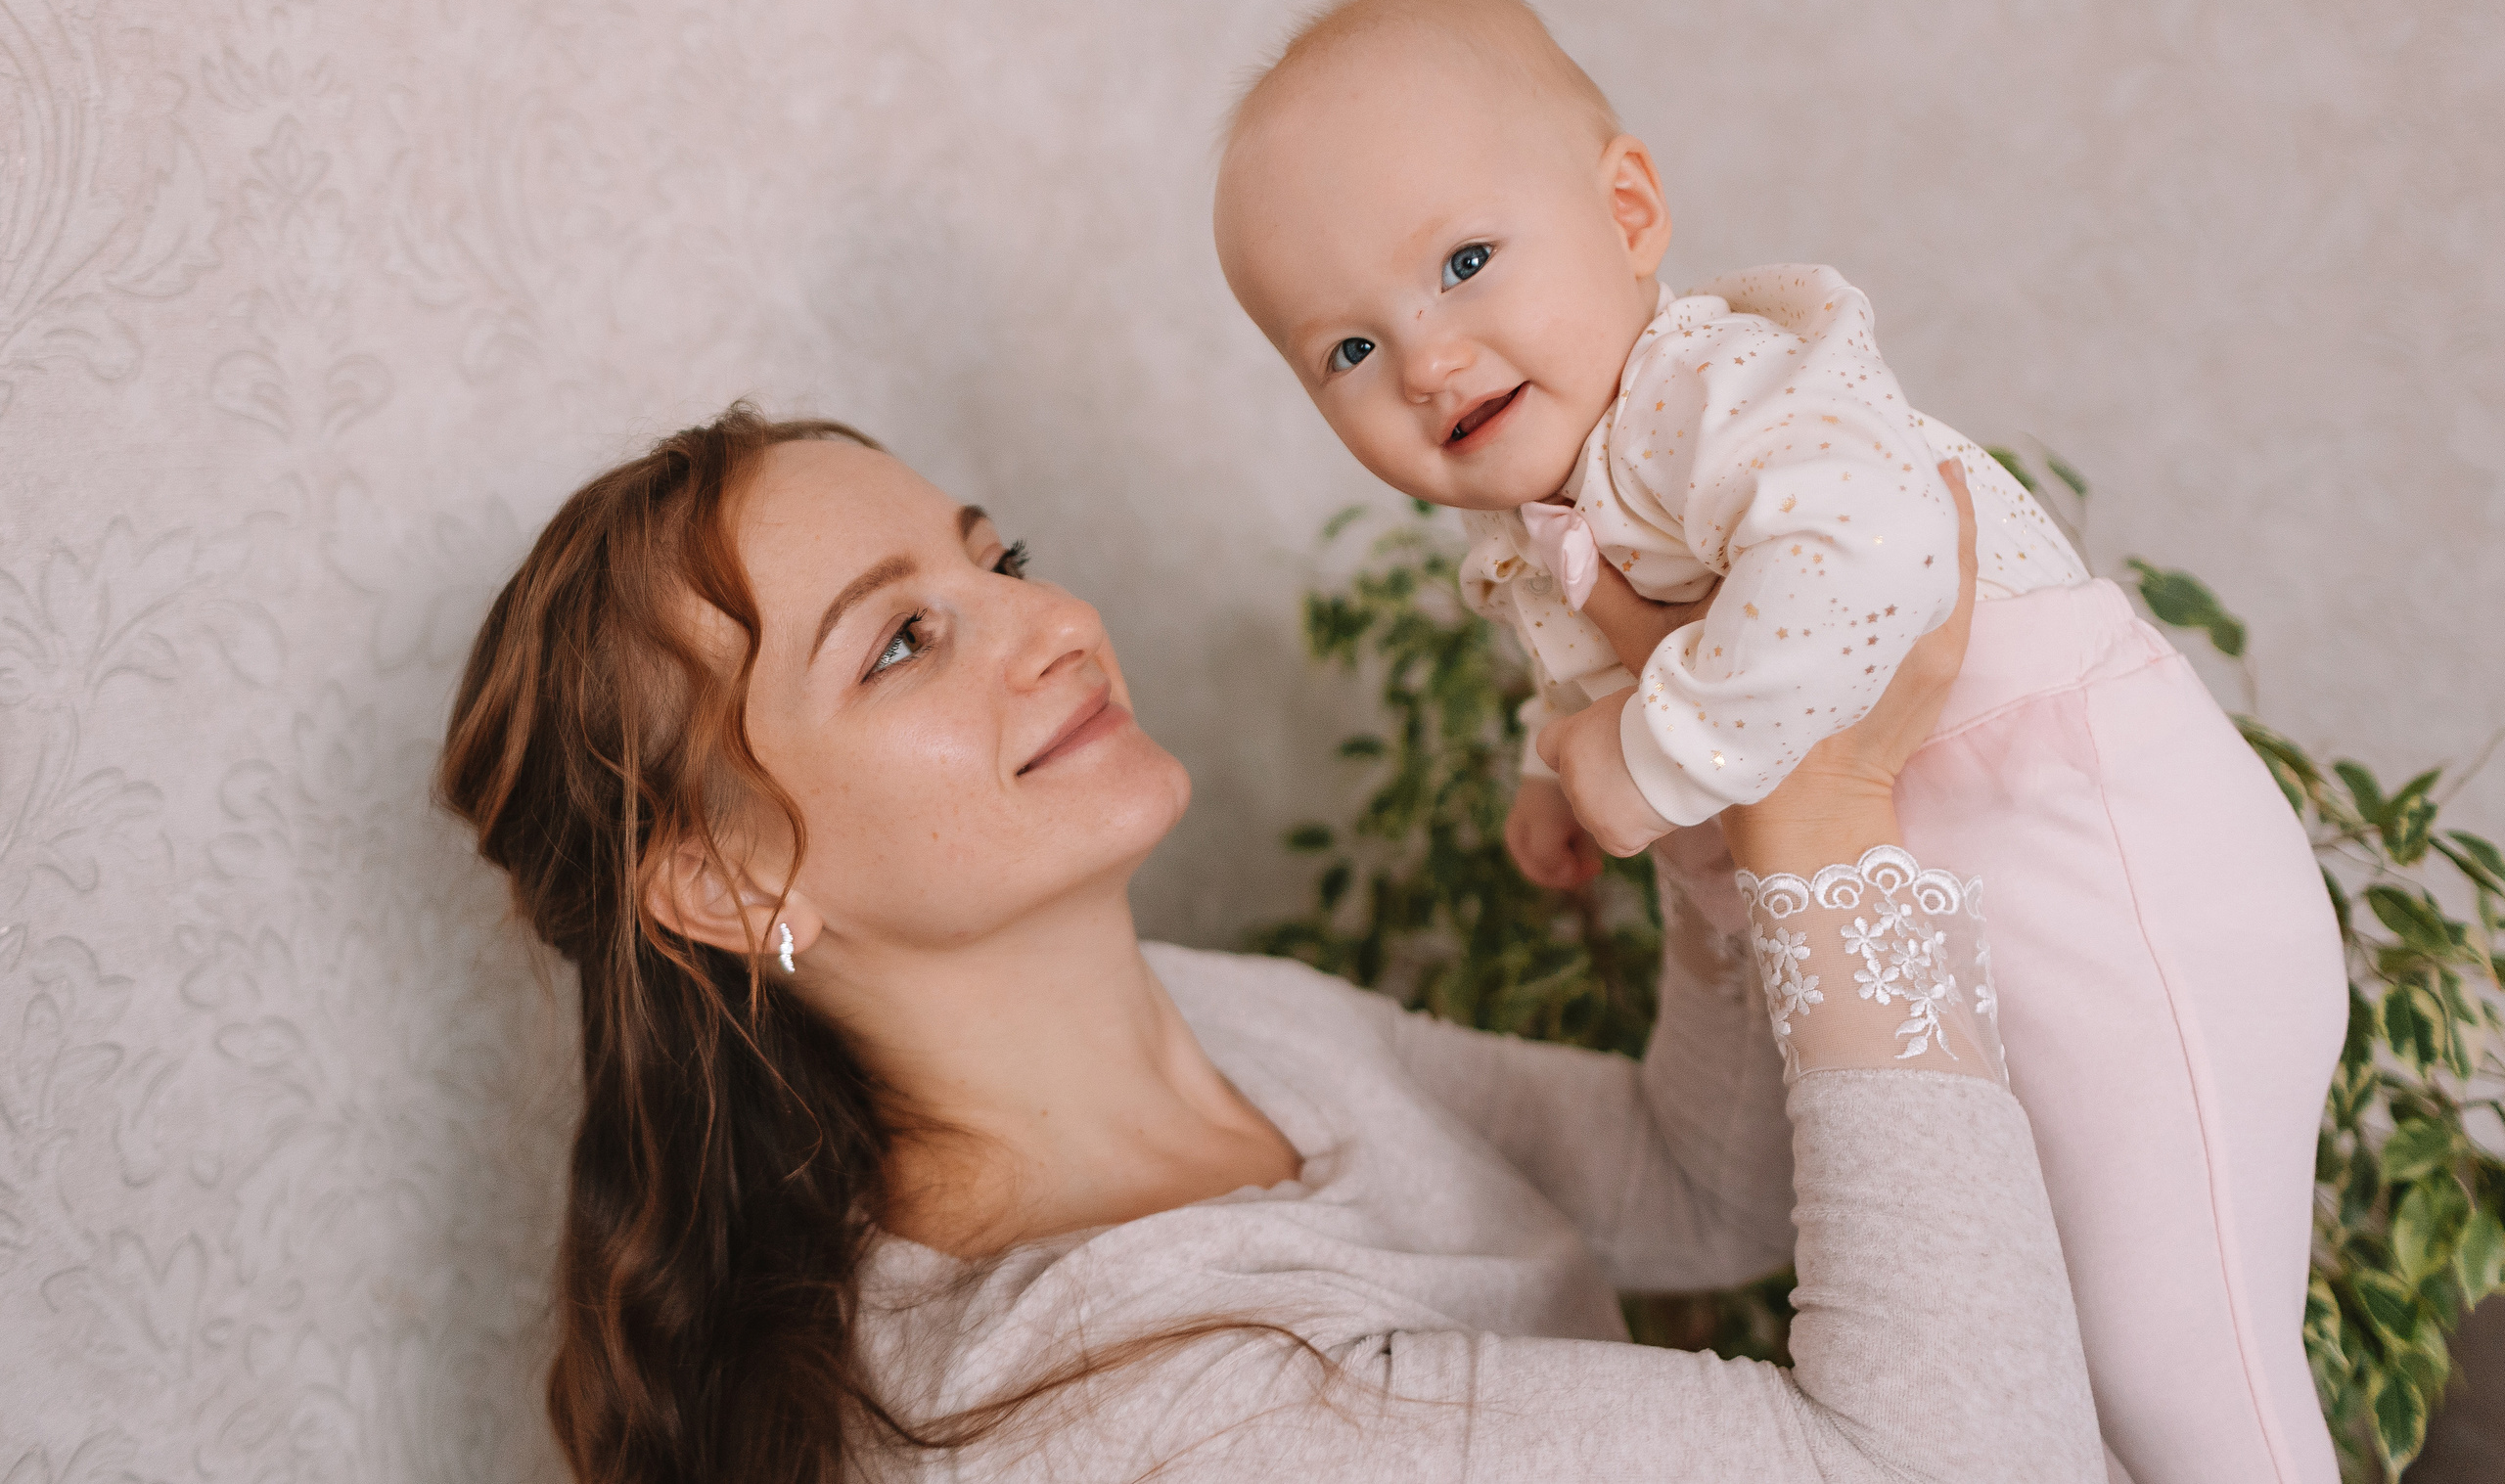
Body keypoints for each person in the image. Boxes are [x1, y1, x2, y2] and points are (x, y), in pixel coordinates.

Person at [439, 404, 2109, 1481]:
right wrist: (1822, 813)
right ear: (727, 892)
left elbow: (1697, 1184)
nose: (1049, 623)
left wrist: (1691, 780)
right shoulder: (1135, 1418)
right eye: (899, 646)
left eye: (995, 557)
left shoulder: (1228, 1024)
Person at [1210, 0, 2345, 1484]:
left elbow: (1864, 561)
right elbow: (1621, 659)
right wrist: (1560, 765)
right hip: (1993, 912)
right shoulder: (1563, 495)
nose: (1423, 358)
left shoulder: (1712, 390)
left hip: (2125, 885)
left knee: (2189, 1384)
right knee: (2076, 1362)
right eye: (1345, 351)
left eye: (1466, 261)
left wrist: (1643, 758)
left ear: (1629, 216)